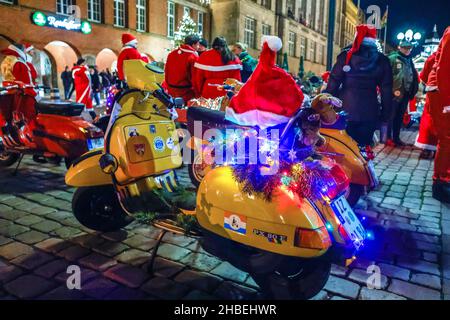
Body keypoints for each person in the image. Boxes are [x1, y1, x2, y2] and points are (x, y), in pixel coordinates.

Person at [325, 24, 393, 147]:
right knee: (364, 148)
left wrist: (325, 104)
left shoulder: (346, 56)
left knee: (345, 148)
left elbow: (333, 82)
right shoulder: (382, 60)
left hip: (345, 109)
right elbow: (386, 90)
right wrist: (385, 114)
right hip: (369, 111)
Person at [225, 36, 304, 129]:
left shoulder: (258, 71)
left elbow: (248, 90)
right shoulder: (281, 74)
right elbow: (296, 95)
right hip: (276, 122)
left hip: (249, 119)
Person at [426, 26, 450, 203]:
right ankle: (441, 182)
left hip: (442, 91)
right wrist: (447, 100)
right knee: (447, 139)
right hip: (443, 93)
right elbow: (444, 68)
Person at [387, 40, 419, 146]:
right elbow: (386, 74)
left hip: (405, 92)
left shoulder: (409, 60)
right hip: (394, 92)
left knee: (399, 116)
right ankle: (388, 138)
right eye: (405, 48)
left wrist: (412, 90)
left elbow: (412, 76)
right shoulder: (393, 58)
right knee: (391, 116)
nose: (407, 50)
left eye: (409, 48)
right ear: (399, 47)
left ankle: (396, 138)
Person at [415, 51, 438, 159]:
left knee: (429, 119)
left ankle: (427, 148)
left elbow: (424, 77)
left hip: (434, 92)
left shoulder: (433, 57)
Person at [165, 34, 200, 102]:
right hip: (185, 92)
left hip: (171, 90)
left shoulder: (172, 54)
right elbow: (195, 78)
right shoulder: (193, 57)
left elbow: (167, 72)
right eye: (198, 45)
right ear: (193, 45)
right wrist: (197, 94)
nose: (198, 47)